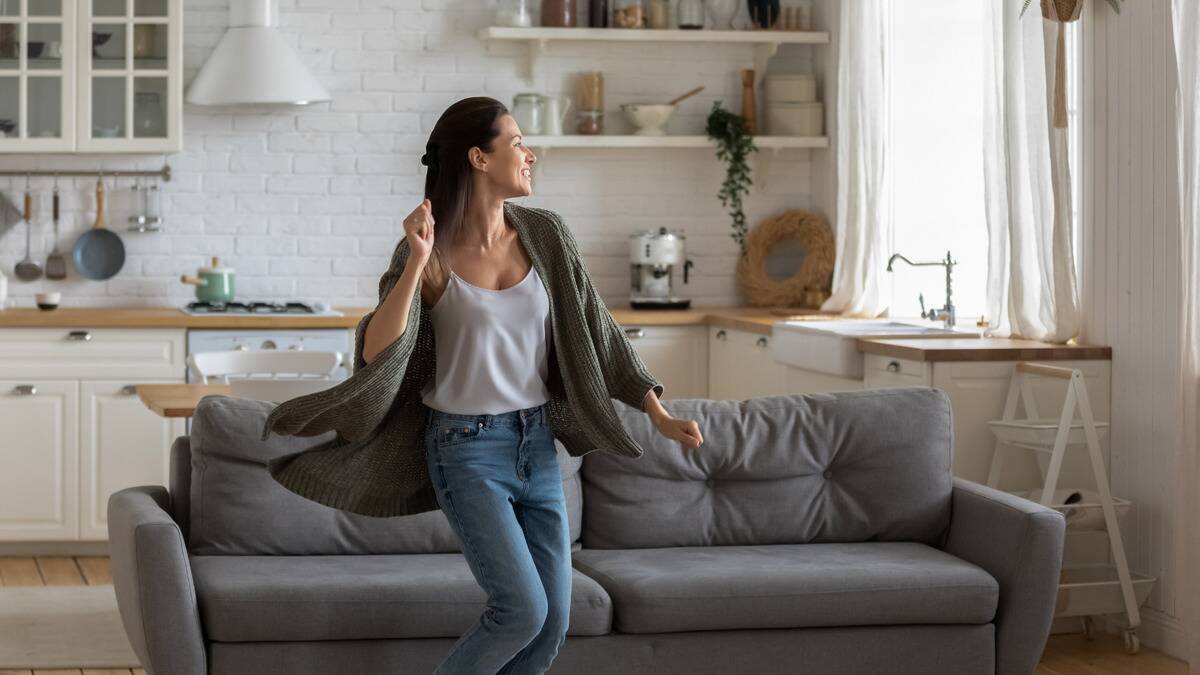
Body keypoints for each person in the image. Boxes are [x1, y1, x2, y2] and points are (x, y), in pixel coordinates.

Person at [359, 96, 704, 674]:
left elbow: (599, 329)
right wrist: (418, 260)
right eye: (517, 142)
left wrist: (657, 410)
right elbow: (376, 350)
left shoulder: (545, 234)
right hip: (465, 450)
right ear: (478, 157)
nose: (530, 153)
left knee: (550, 627)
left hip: (537, 446)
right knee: (520, 610)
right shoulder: (429, 248)